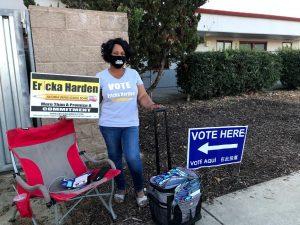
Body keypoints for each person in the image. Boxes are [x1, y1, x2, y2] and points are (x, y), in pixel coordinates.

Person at [96, 37, 161, 207]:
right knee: (115, 158)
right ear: (108, 55)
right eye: (115, 53)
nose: (119, 56)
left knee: (132, 157)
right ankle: (121, 188)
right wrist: (70, 111)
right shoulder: (100, 77)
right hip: (108, 125)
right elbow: (90, 102)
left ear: (126, 56)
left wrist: (151, 105)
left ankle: (139, 189)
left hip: (130, 124)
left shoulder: (133, 74)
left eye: (122, 54)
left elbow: (142, 96)